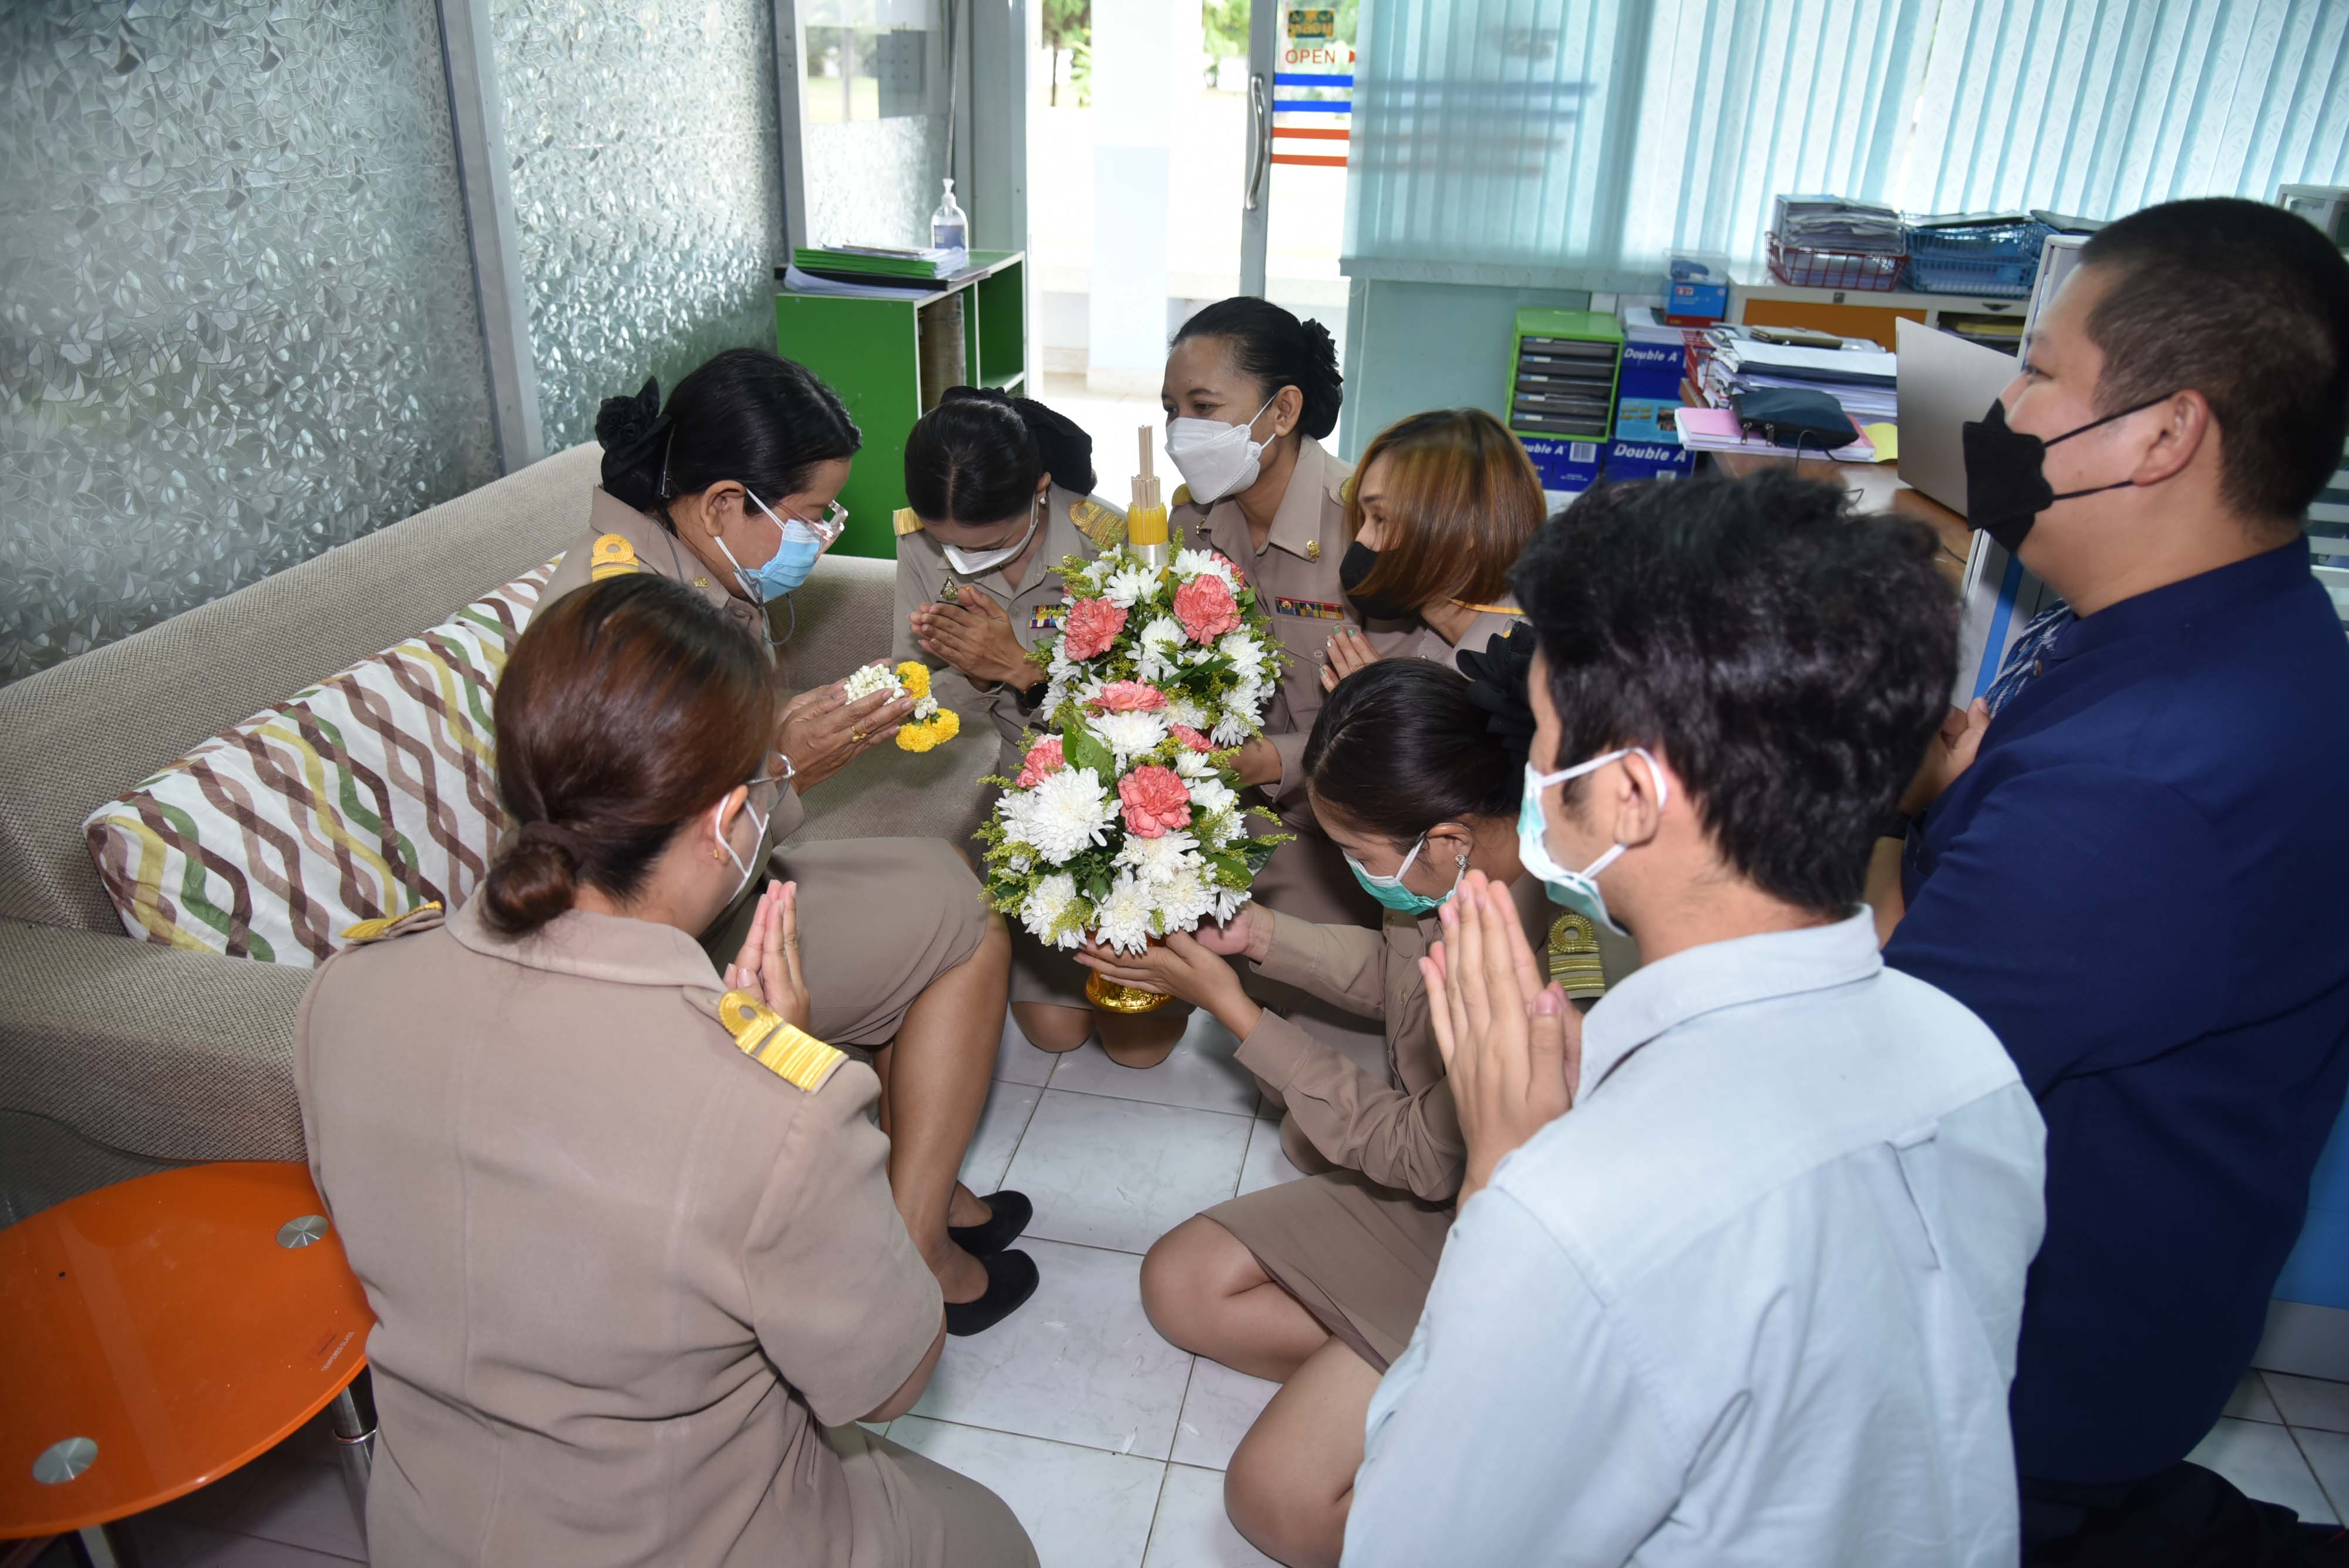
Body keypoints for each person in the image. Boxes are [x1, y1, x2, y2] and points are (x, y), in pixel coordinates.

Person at [1343, 472, 2048, 1567]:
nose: (1528, 773)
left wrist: (1496, 1180)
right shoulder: (1973, 1066)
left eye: (1543, 741)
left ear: (1630, 795)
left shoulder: (1570, 1210)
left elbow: (1412, 1543)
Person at [296, 574, 1038, 1566]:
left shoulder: (344, 992)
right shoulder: (774, 1103)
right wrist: (799, 1090)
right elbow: (890, 1380)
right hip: (690, 1537)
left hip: (429, 1530)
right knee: (996, 1537)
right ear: (729, 818)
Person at [1883, 197, 2349, 1564]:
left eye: (2036, 371)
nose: (1998, 408)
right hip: (2122, 1320)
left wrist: (1878, 829)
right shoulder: (2222, 634)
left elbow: (1879, 1080)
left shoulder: (2142, 780)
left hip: (2018, 1383)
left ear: (2160, 434)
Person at [547, 348, 1034, 1331]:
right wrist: (786, 766)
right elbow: (659, 860)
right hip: (664, 945)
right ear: (726, 502)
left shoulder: (687, 566)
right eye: (812, 513)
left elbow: (699, 763)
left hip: (716, 886)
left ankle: (915, 1186)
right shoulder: (629, 617)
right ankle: (916, 1249)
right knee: (971, 928)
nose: (821, 533)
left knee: (942, 874)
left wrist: (793, 735)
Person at [1081, 657, 1564, 1568]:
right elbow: (1399, 979)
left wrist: (1235, 1011)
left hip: (1504, 1243)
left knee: (1275, 1501)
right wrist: (1260, 937)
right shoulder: (1452, 872)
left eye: (1359, 854)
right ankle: (1411, 1381)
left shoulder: (1544, 955)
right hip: (1441, 1207)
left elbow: (1417, 1151)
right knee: (1182, 1283)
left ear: (1447, 837)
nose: (1349, 870)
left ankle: (1480, 1411)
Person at [891, 388, 1184, 1066]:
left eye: (991, 543)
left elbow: (1158, 708)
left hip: (1133, 789)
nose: (966, 559)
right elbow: (923, 684)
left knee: (1139, 1048)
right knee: (1055, 1031)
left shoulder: (1115, 541)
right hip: (1025, 778)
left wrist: (1020, 668)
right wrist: (965, 681)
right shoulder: (919, 541)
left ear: (1041, 489)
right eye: (950, 546)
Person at [1160, 297, 1385, 935]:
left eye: (1204, 408)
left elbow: (1411, 717)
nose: (1180, 431)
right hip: (1220, 811)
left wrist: (1270, 760)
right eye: (1171, 410)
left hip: (1352, 830)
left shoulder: (1366, 524)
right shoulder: (1189, 523)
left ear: (1283, 411)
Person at [1314, 407, 1546, 694]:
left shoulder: (1535, 669)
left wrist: (1391, 712)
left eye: (1381, 518)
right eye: (1364, 518)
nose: (1363, 539)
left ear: (1470, 528)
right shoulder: (1431, 640)